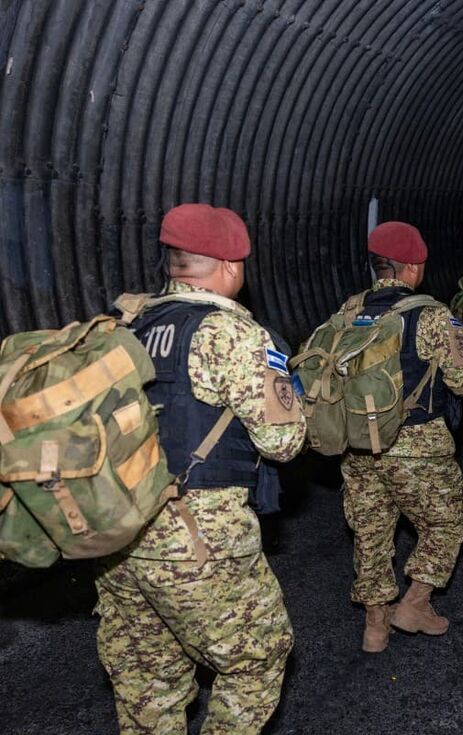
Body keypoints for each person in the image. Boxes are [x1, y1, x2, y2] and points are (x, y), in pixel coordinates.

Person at [96, 203, 306, 735]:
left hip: (117, 529)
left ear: (173, 261)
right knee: (256, 658)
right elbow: (282, 442)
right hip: (196, 534)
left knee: (149, 678)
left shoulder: (126, 324)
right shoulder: (228, 334)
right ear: (233, 266)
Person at [339, 221, 463, 654]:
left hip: (359, 445)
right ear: (413, 267)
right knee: (447, 522)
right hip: (416, 446)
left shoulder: (349, 309)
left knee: (370, 532)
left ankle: (375, 627)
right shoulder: (434, 315)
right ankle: (416, 602)